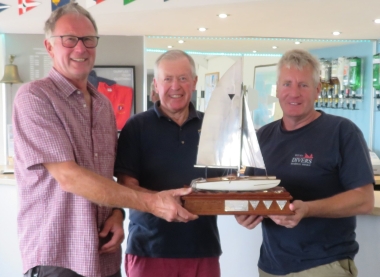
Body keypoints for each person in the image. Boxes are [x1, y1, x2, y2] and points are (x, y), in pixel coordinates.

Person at [13, 3, 196, 277]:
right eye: (69, 39)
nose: (80, 48)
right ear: (50, 47)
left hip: (104, 256)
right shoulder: (35, 97)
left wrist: (118, 213)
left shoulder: (102, 105)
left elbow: (106, 179)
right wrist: (152, 203)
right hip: (59, 256)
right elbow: (70, 178)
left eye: (88, 39)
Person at [235, 49, 375, 277]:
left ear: (318, 90)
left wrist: (308, 209)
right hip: (270, 266)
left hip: (324, 266)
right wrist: (243, 211)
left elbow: (364, 200)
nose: (294, 93)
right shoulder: (263, 136)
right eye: (287, 84)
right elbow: (250, 190)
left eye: (303, 85)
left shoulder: (342, 132)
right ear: (277, 89)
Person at [114, 49, 223, 277]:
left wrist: (245, 207)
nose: (176, 86)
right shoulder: (136, 127)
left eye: (183, 78)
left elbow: (227, 183)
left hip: (202, 249)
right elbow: (125, 185)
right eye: (168, 79)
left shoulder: (215, 126)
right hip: (149, 250)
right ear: (156, 84)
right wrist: (158, 202)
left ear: (194, 82)